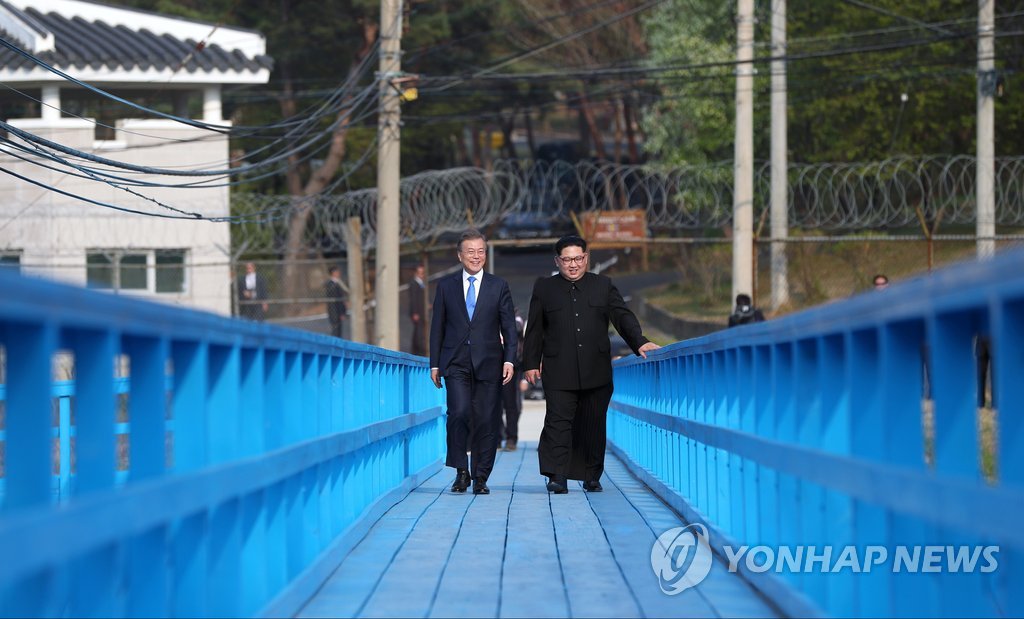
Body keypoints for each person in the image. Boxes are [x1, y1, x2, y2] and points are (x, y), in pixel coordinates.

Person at [523, 235, 660, 494]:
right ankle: (557, 476)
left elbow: (622, 317)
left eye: (578, 258)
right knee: (558, 422)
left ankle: (591, 475)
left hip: (595, 370)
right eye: (567, 260)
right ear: (557, 261)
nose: (573, 264)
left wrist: (639, 342)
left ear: (586, 258)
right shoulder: (545, 288)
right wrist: (530, 362)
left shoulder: (603, 286)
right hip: (558, 369)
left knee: (593, 424)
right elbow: (535, 329)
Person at [430, 230, 517, 495]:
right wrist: (435, 363)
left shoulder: (498, 286)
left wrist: (510, 360)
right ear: (460, 255)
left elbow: (509, 327)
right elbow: (437, 327)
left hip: (489, 362)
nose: (476, 256)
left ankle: (481, 476)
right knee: (458, 413)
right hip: (455, 362)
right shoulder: (446, 286)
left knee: (486, 419)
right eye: (470, 251)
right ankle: (461, 471)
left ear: (485, 254)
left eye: (480, 251)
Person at [495, 308, 526, 452]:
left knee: (511, 405)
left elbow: (518, 327)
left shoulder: (516, 316)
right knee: (493, 405)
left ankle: (511, 438)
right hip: (492, 366)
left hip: (513, 366)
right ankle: (497, 437)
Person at [408, 264, 427, 356]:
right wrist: (415, 312)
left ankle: (419, 349)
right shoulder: (414, 283)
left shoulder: (421, 284)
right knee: (418, 332)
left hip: (422, 312)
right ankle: (418, 350)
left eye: (422, 273)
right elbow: (413, 299)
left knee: (421, 331)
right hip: (418, 313)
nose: (421, 275)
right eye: (419, 273)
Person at [324, 266, 347, 338]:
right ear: (333, 273)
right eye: (336, 272)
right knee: (336, 331)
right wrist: (340, 313)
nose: (338, 273)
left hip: (338, 311)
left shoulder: (338, 283)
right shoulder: (331, 284)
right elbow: (335, 301)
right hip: (335, 311)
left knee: (338, 330)